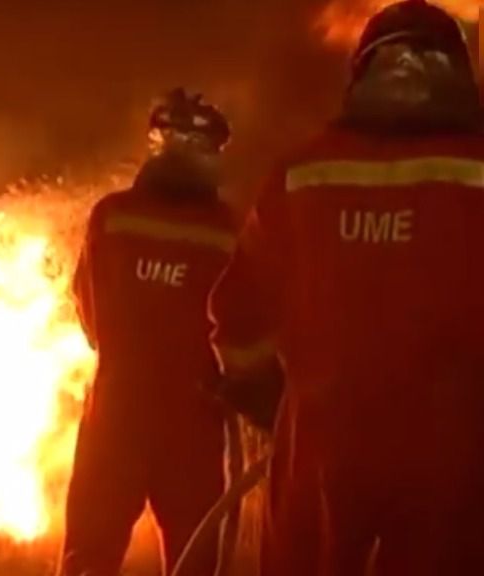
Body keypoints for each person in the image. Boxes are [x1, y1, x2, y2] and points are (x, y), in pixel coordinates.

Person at [207, 1, 484, 574]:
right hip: (454, 454)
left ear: (362, 74)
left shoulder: (301, 175)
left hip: (321, 444)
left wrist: (271, 402)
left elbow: (237, 314)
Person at [61, 88, 237, 576]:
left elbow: (90, 311)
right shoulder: (231, 230)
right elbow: (243, 323)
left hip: (117, 412)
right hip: (193, 418)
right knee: (193, 555)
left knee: (89, 555)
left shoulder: (112, 216)